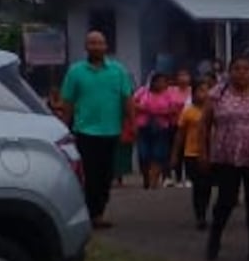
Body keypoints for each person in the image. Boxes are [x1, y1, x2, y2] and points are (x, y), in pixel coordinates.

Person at [202, 55, 249, 261]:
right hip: (227, 155)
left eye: (246, 69)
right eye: (236, 69)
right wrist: (204, 152)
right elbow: (205, 124)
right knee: (226, 200)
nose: (242, 73)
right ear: (229, 72)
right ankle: (215, 239)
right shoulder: (219, 93)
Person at [59, 30, 134, 228]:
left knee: (106, 174)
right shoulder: (75, 71)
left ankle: (98, 210)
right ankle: (92, 214)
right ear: (86, 47)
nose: (96, 47)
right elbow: (67, 102)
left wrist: (132, 124)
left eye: (100, 43)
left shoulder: (118, 71)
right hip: (85, 132)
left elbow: (127, 99)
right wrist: (62, 129)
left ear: (106, 46)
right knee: (90, 175)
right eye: (92, 43)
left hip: (111, 131)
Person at [172, 79, 213, 230]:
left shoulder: (213, 110)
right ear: (194, 93)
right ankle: (200, 215)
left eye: (207, 90)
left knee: (207, 185)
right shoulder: (188, 111)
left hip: (210, 153)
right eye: (201, 90)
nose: (204, 93)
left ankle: (204, 211)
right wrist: (175, 155)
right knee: (199, 185)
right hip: (192, 153)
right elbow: (180, 134)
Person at [132, 71, 180, 190]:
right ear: (153, 82)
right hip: (144, 127)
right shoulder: (143, 91)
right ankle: (146, 179)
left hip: (161, 127)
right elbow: (132, 103)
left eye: (164, 82)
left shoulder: (169, 94)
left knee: (158, 154)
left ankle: (153, 182)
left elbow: (174, 109)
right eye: (159, 81)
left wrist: (160, 112)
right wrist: (142, 108)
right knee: (144, 154)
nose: (162, 84)